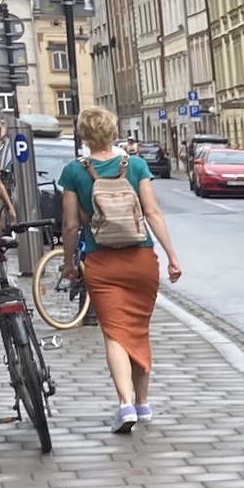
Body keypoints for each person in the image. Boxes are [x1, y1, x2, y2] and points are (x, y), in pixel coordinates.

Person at [58, 105, 182, 434]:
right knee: (138, 330)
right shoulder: (136, 165)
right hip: (141, 259)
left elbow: (70, 226)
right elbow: (152, 213)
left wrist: (69, 263)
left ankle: (125, 404)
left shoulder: (74, 171)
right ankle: (143, 404)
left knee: (115, 333)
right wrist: (172, 256)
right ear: (114, 133)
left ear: (83, 137)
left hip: (101, 262)